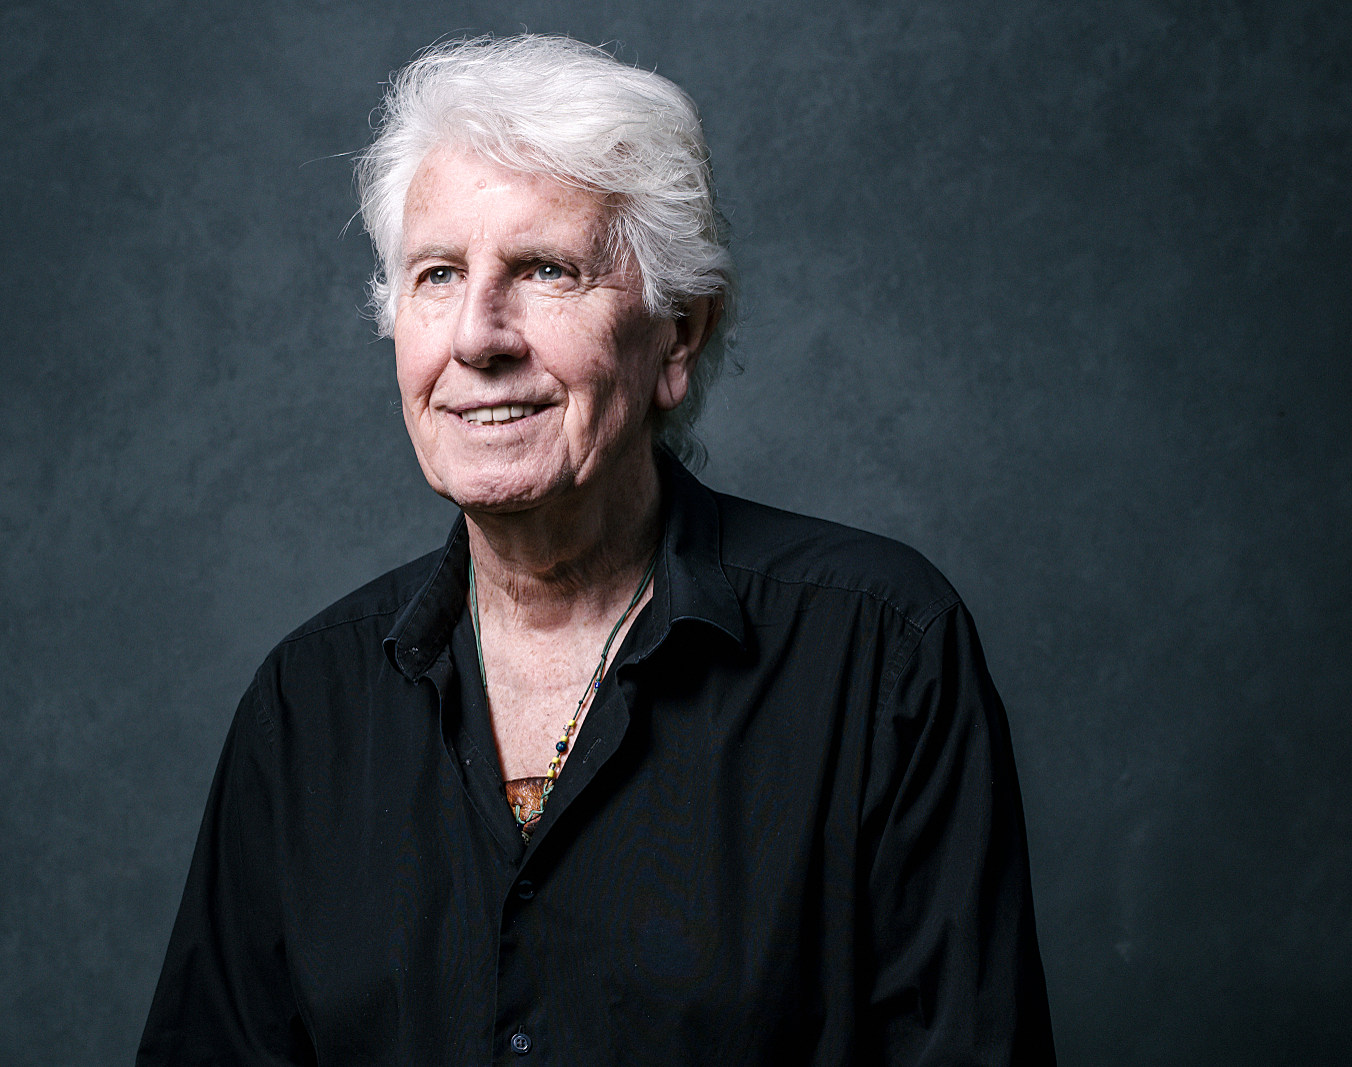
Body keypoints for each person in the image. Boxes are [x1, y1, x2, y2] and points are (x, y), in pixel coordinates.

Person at [138, 34, 1054, 1066]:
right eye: (438, 274)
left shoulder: (883, 653)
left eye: (545, 270)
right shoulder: (306, 705)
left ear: (677, 336)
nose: (478, 336)